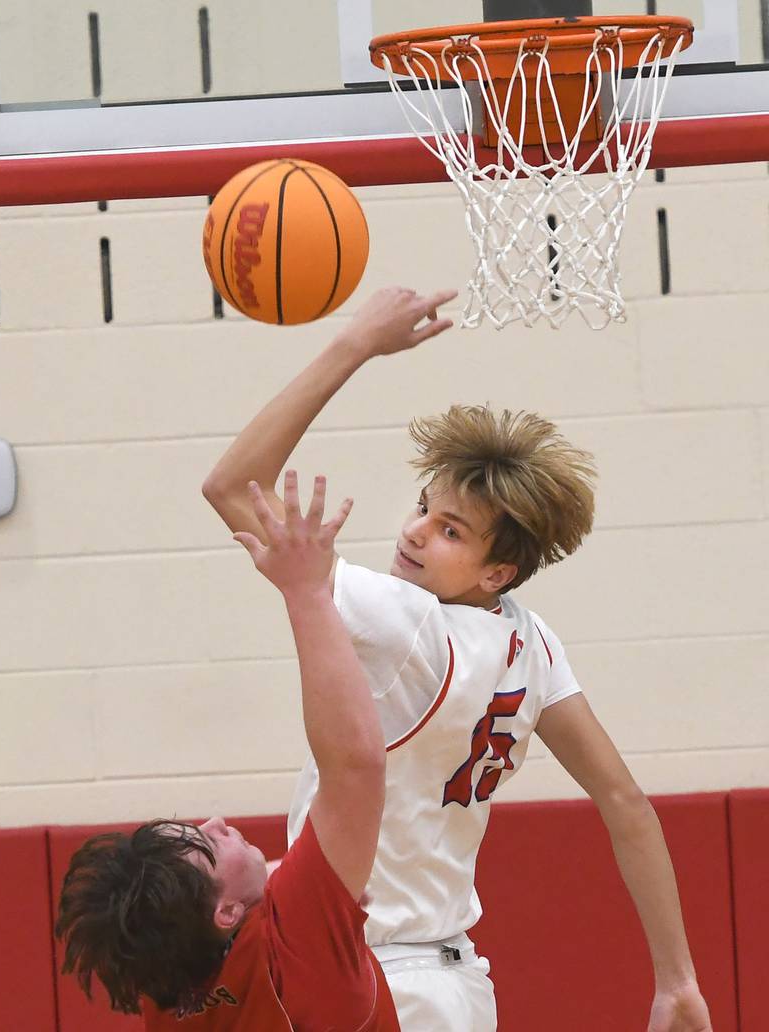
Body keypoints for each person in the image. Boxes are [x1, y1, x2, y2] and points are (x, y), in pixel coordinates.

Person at [202, 287, 713, 1032]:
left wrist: (354, 345)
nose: (414, 533)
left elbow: (228, 486)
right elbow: (626, 803)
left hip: (372, 981)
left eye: (450, 531)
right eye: (422, 508)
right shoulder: (532, 643)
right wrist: (676, 979)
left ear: (496, 572)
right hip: (458, 986)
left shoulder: (406, 622)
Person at [55, 472, 401, 1031]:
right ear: (227, 913)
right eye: (207, 844)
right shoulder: (293, 944)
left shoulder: (166, 989)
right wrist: (306, 591)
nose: (217, 822)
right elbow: (356, 766)